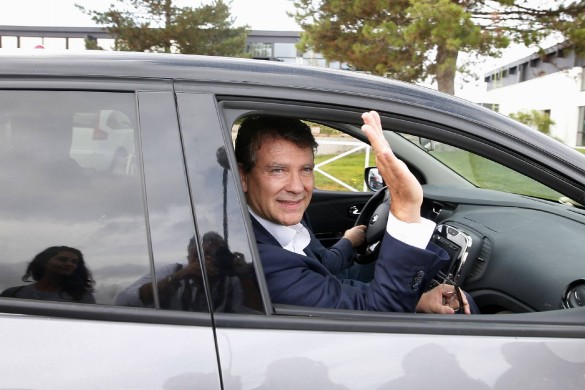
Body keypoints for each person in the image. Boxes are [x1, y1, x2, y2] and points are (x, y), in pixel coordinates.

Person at [235, 111, 474, 314]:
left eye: (306, 169)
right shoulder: (258, 259)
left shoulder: (280, 222)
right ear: (243, 176)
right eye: (278, 170)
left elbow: (328, 280)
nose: (297, 187)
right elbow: (378, 316)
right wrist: (405, 208)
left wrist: (419, 301)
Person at [115, 232, 253, 313]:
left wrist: (244, 275)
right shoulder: (174, 271)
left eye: (214, 254)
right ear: (189, 258)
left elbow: (249, 315)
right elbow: (122, 301)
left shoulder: (230, 281)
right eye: (199, 255)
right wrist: (176, 277)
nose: (207, 259)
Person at [0, 246, 95, 303]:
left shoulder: (82, 296)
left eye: (74, 262)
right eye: (62, 260)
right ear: (44, 262)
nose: (69, 264)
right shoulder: (13, 293)